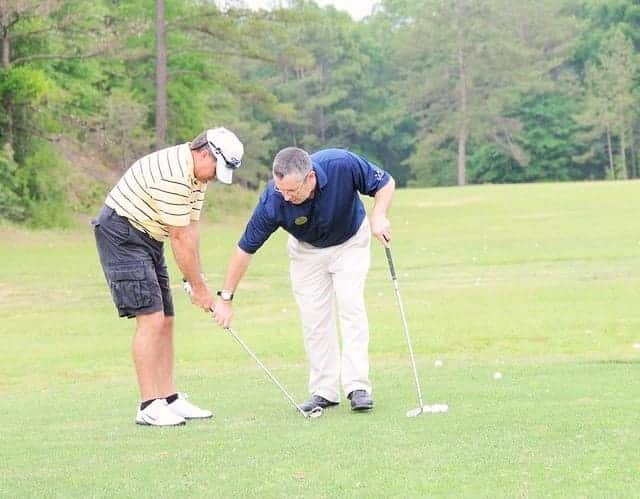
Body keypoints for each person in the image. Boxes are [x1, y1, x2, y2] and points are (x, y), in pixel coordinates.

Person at [212, 147, 395, 412]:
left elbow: (385, 182)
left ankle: (358, 386)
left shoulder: (340, 164)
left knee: (350, 306)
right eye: (280, 189)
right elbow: (245, 249)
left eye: (292, 191)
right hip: (306, 253)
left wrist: (378, 215)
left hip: (350, 243)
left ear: (310, 177)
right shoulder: (273, 201)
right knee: (314, 319)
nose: (285, 196)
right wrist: (226, 298)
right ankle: (324, 390)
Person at [92, 127, 244, 426]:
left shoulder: (197, 176)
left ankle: (169, 397)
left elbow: (191, 229)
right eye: (216, 168)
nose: (215, 176)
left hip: (148, 237)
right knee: (151, 318)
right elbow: (179, 237)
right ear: (204, 153)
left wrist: (195, 279)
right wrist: (200, 291)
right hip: (122, 234)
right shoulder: (174, 175)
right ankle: (150, 404)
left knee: (167, 318)